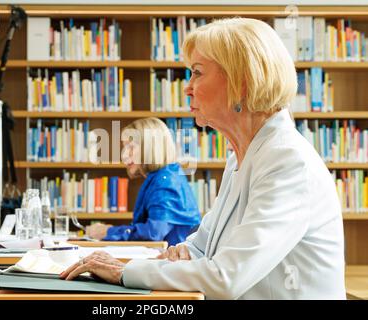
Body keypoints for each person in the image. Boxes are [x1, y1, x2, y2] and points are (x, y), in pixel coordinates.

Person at [60, 18, 346, 299]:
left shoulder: (287, 163)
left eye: (197, 73)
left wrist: (124, 271)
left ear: (242, 81)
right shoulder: (241, 156)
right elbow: (200, 247)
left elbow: (226, 277)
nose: (187, 87)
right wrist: (180, 254)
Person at [85, 117, 201, 246]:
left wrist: (109, 231)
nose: (124, 155)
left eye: (131, 147)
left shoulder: (165, 181)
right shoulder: (164, 176)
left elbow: (154, 233)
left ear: (151, 147)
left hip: (172, 262)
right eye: (124, 148)